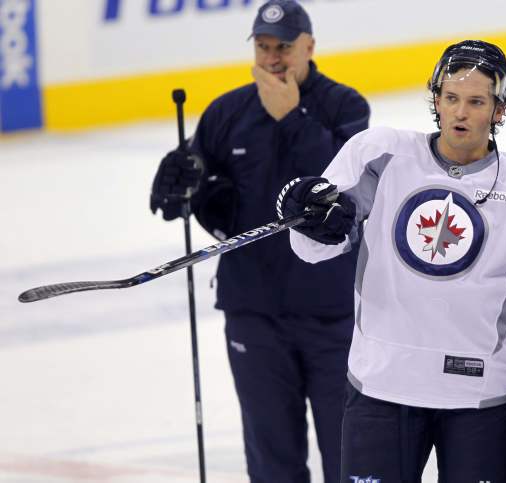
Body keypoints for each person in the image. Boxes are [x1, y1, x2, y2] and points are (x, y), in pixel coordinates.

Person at [277, 40, 506, 482]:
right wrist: (309, 219)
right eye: (451, 98)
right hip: (382, 386)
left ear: (499, 110)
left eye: (476, 102)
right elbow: (312, 249)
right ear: (436, 100)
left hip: (484, 397)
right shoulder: (381, 154)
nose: (460, 113)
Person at [148, 1, 370, 481]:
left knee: (349, 457)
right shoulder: (226, 112)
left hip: (333, 317)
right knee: (271, 463)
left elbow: (346, 189)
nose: (272, 58)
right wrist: (178, 188)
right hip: (253, 313)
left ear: (309, 47)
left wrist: (291, 118)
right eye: (263, 46)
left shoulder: (345, 107)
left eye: (283, 47)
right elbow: (201, 194)